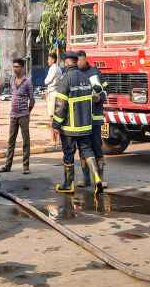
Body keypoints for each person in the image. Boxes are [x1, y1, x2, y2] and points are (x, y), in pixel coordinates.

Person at [52, 51, 103, 193]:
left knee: (68, 153)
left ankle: (68, 184)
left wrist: (56, 124)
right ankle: (97, 178)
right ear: (75, 61)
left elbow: (60, 105)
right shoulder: (85, 78)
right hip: (86, 125)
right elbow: (94, 98)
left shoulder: (65, 79)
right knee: (87, 150)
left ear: (67, 63)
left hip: (69, 127)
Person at [76, 50, 107, 188]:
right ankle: (86, 178)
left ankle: (100, 178)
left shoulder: (95, 73)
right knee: (83, 149)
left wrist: (99, 97)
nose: (78, 63)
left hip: (94, 119)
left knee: (96, 147)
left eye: (80, 60)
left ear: (85, 59)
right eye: (76, 61)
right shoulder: (76, 74)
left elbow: (105, 90)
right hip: (82, 120)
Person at [0, 58, 35, 174]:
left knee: (26, 141)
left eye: (17, 67)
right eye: (14, 67)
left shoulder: (27, 82)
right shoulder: (12, 80)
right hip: (13, 115)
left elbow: (32, 99)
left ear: (22, 68)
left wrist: (27, 112)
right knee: (11, 141)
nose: (15, 69)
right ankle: (7, 165)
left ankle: (26, 166)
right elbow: (13, 94)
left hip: (24, 115)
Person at [44, 53, 62, 146]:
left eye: (49, 59)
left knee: (52, 117)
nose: (48, 61)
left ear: (53, 60)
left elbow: (47, 81)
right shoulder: (58, 68)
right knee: (57, 117)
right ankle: (57, 139)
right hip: (57, 92)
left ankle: (54, 139)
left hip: (52, 93)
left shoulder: (53, 68)